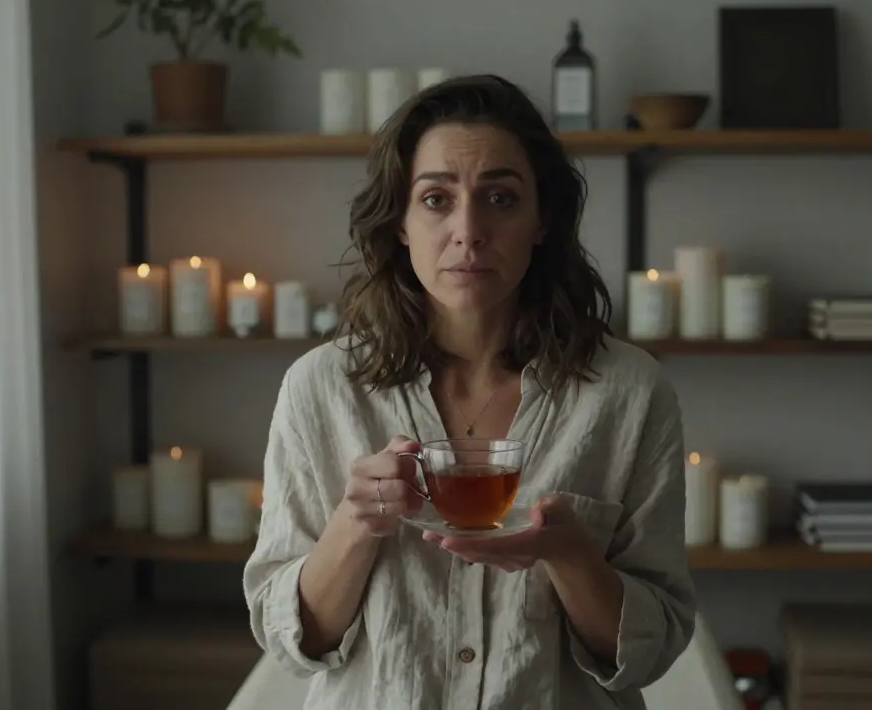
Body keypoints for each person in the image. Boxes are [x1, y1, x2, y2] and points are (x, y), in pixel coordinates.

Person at [242, 74, 696, 709]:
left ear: (542, 221)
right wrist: (354, 523)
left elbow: (652, 647)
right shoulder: (320, 389)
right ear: (399, 221)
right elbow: (293, 641)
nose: (469, 230)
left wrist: (571, 558)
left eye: (501, 198)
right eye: (435, 199)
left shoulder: (628, 391)